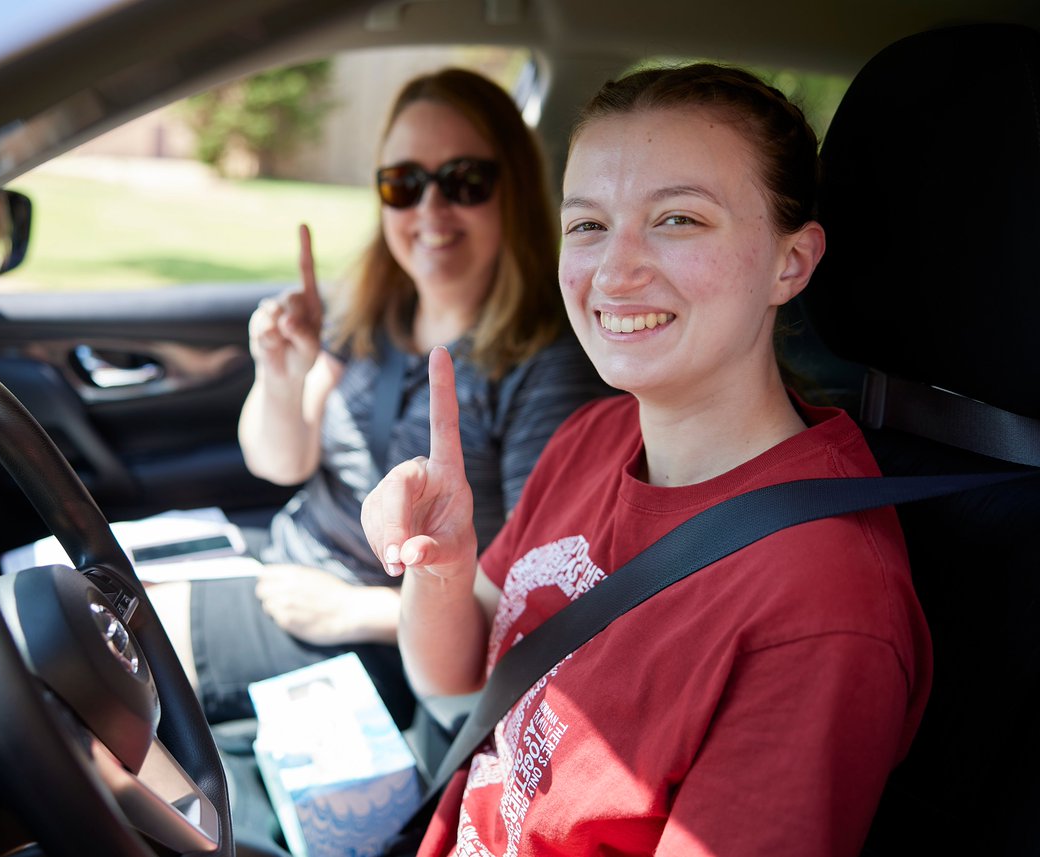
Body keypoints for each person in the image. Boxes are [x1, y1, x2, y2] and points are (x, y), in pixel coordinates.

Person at [361, 64, 933, 855]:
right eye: (588, 225)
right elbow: (455, 689)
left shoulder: (822, 606)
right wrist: (443, 571)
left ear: (790, 263)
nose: (614, 271)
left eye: (678, 220)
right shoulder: (592, 437)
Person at [149, 68, 609, 729]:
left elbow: (528, 590)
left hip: (386, 638)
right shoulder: (370, 306)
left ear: (514, 190)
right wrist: (281, 374)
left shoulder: (546, 366)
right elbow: (280, 463)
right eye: (403, 184)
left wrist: (347, 610)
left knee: (82, 652)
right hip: (282, 558)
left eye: (464, 182)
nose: (429, 211)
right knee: (78, 597)